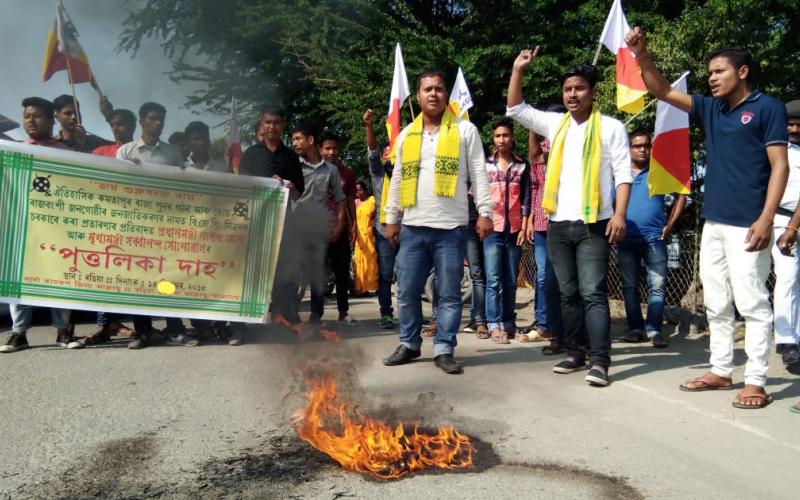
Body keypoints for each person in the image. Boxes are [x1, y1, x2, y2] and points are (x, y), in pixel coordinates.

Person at [626, 29, 789, 408]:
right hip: (713, 222)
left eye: (719, 71)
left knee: (751, 302)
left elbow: (779, 166)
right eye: (709, 73)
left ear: (743, 71)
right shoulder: (711, 108)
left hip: (749, 224)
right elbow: (663, 92)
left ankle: (757, 380)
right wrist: (642, 55)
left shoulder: (768, 108)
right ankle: (720, 369)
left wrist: (767, 218)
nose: (712, 78)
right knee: (716, 301)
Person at [507, 48, 632, 387]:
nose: (572, 94)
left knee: (593, 292)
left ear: (592, 92)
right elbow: (515, 108)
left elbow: (623, 175)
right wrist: (518, 70)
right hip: (559, 224)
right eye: (567, 89)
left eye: (579, 88)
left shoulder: (611, 128)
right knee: (568, 293)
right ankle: (575, 353)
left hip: (595, 222)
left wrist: (620, 213)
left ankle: (600, 360)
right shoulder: (555, 125)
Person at [382, 69, 493, 375]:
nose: (433, 94)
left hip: (451, 228)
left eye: (439, 89)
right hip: (413, 226)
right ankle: (409, 343)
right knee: (406, 291)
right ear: (417, 96)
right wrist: (392, 219)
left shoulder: (465, 131)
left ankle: (444, 348)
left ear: (446, 95)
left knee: (448, 293)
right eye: (427, 89)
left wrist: (485, 212)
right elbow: (398, 178)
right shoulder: (406, 135)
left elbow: (479, 173)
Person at [0, 97, 81, 353]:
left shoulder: (65, 152)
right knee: (19, 280)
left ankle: (64, 331)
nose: (30, 121)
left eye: (36, 116)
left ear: (50, 119)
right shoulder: (15, 152)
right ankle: (18, 334)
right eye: (26, 117)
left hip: (58, 229)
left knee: (59, 279)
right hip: (23, 227)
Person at [117, 102, 198, 349]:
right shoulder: (126, 151)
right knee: (139, 278)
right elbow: (117, 184)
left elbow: (184, 183)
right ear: (141, 121)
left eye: (161, 119)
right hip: (137, 225)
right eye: (152, 119)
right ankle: (142, 331)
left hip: (165, 226)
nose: (158, 123)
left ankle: (175, 328)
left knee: (167, 277)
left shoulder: (172, 152)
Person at [617, 130, 686, 348]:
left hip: (655, 238)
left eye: (646, 145)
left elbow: (682, 193)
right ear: (629, 149)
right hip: (626, 238)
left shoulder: (659, 172)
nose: (642, 149)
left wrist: (669, 225)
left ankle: (654, 329)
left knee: (657, 285)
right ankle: (635, 329)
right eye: (637, 146)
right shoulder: (619, 174)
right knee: (629, 286)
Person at [239, 108, 305, 327]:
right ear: (261, 124)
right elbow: (242, 189)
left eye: (276, 123)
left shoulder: (291, 157)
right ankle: (246, 321)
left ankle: (284, 317)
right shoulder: (250, 155)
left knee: (285, 273)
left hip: (284, 224)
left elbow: (298, 193)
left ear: (282, 125)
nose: (272, 127)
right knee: (255, 273)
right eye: (268, 122)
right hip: (257, 223)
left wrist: (289, 187)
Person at [81, 108, 139, 346]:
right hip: (106, 222)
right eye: (114, 124)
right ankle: (105, 324)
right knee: (105, 273)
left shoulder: (143, 152)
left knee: (135, 275)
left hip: (136, 223)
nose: (117, 128)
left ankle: (141, 326)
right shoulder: (99, 152)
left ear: (133, 126)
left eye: (123, 124)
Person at [290, 124, 346, 324]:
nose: (294, 143)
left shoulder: (331, 170)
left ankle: (316, 316)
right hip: (296, 229)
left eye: (298, 138)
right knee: (292, 272)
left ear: (310, 140)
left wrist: (340, 225)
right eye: (293, 139)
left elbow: (340, 199)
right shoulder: (292, 166)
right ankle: (290, 314)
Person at [482, 118, 530, 344]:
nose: (501, 139)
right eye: (497, 135)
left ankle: (509, 322)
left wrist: (524, 223)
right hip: (492, 230)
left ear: (512, 138)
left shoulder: (522, 165)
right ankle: (493, 324)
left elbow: (527, 197)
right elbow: (477, 195)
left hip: (514, 230)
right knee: (493, 280)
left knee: (511, 280)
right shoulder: (484, 164)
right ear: (493, 139)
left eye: (505, 135)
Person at [519, 129, 564, 355]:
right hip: (540, 223)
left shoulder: (568, 142)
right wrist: (528, 220)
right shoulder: (538, 149)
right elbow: (534, 186)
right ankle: (544, 325)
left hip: (565, 220)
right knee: (543, 276)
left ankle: (564, 330)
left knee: (563, 279)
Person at [363, 109, 399, 329]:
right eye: (388, 151)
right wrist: (369, 126)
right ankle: (386, 313)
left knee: (409, 276)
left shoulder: (407, 173)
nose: (390, 154)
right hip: (384, 229)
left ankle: (410, 312)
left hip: (409, 229)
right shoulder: (378, 172)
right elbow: (372, 150)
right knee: (385, 276)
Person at [773, 99, 800, 377]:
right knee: (787, 278)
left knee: (795, 281)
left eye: (798, 125)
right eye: (790, 124)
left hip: (796, 221)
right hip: (777, 219)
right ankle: (786, 340)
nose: (793, 129)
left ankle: (795, 338)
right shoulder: (774, 150)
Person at [318, 131, 358, 324]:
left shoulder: (347, 174)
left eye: (334, 148)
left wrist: (353, 224)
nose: (331, 152)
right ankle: (315, 314)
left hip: (340, 229)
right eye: (327, 148)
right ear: (320, 149)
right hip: (317, 229)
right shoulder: (313, 171)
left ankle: (344, 312)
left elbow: (350, 200)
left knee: (342, 272)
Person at [352, 180, 379, 294]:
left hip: (369, 236)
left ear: (365, 190)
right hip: (358, 237)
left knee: (371, 262)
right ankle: (361, 288)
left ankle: (372, 286)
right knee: (358, 262)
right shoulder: (354, 203)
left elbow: (375, 216)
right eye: (356, 191)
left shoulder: (372, 201)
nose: (358, 193)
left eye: (360, 190)